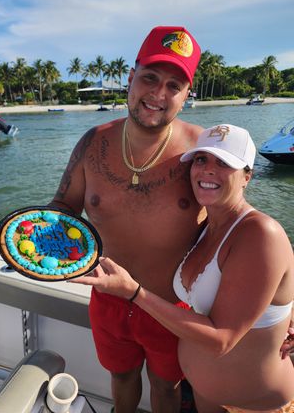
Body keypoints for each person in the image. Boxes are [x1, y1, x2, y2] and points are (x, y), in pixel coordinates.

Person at [72, 124, 294, 413]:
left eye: (225, 163)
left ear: (247, 177)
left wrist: (135, 292)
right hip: (206, 397)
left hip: (253, 403)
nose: (208, 170)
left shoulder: (261, 232)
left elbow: (221, 340)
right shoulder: (206, 229)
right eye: (201, 159)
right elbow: (278, 280)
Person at [51, 25, 206, 413]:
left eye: (174, 85)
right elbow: (63, 208)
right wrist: (41, 252)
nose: (158, 94)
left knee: (167, 388)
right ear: (130, 77)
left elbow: (238, 229)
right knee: (120, 379)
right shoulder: (92, 143)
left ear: (186, 96)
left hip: (172, 305)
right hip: (106, 298)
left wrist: (277, 306)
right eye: (150, 78)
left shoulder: (204, 153)